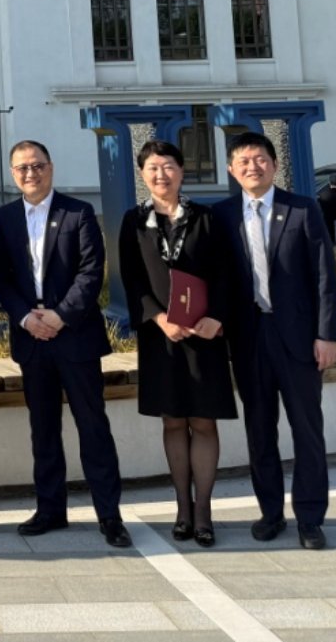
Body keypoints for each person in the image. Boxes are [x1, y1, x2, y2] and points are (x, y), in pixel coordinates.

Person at [0, 140, 130, 549]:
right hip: (32, 338)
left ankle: (109, 515)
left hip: (75, 337)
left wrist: (60, 315)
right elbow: (0, 273)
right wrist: (26, 317)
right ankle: (50, 509)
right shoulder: (4, 217)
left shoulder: (78, 212)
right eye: (22, 168)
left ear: (50, 168)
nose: (30, 173)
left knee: (93, 427)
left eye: (37, 166)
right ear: (12, 173)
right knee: (43, 428)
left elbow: (91, 271)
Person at [218, 131, 336, 551]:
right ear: (232, 170)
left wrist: (327, 334)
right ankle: (270, 512)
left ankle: (310, 517)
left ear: (274, 164)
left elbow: (325, 275)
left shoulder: (302, 209)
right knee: (259, 430)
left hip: (299, 339)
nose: (252, 167)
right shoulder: (222, 215)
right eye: (243, 161)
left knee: (307, 430)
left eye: (260, 159)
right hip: (249, 337)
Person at [116, 139, 237, 548]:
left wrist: (216, 317)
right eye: (152, 167)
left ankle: (203, 512)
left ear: (182, 171)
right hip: (161, 337)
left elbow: (226, 272)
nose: (161, 174)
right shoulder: (134, 221)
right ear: (142, 174)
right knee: (172, 421)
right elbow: (131, 279)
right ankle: (182, 508)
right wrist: (159, 318)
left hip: (204, 334)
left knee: (203, 422)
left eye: (168, 166)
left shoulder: (206, 217)